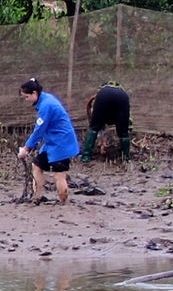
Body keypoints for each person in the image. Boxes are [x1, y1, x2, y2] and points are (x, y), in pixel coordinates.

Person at [19, 77, 79, 206]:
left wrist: (26, 148)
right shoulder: (44, 100)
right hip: (51, 144)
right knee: (37, 165)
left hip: (61, 143)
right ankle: (36, 197)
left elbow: (39, 130)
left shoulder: (46, 105)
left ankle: (63, 203)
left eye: (26, 97)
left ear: (34, 93)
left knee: (58, 174)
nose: (26, 100)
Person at [83, 83, 132, 165]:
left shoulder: (99, 94)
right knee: (123, 133)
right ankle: (126, 158)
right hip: (122, 97)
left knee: (94, 127)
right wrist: (127, 130)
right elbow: (129, 121)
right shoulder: (121, 91)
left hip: (103, 95)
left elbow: (96, 124)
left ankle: (86, 157)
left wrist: (101, 141)